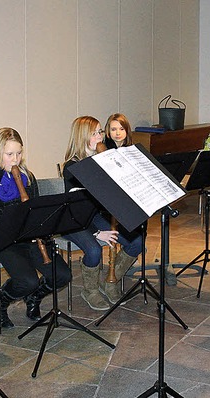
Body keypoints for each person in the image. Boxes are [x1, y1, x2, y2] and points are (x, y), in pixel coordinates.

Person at [0, 127, 71, 328]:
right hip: (1, 239)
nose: (15, 160)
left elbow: (35, 209)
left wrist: (39, 229)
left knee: (62, 275)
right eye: (9, 154)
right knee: (28, 281)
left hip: (28, 235)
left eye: (19, 153)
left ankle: (34, 298)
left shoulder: (27, 176)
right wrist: (9, 234)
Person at [62, 116, 143, 309]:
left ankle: (110, 280)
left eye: (100, 132)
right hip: (73, 219)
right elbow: (76, 208)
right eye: (95, 133)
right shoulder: (72, 167)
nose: (101, 136)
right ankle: (90, 290)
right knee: (94, 249)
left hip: (95, 216)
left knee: (137, 241)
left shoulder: (100, 159)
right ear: (83, 137)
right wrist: (97, 233)